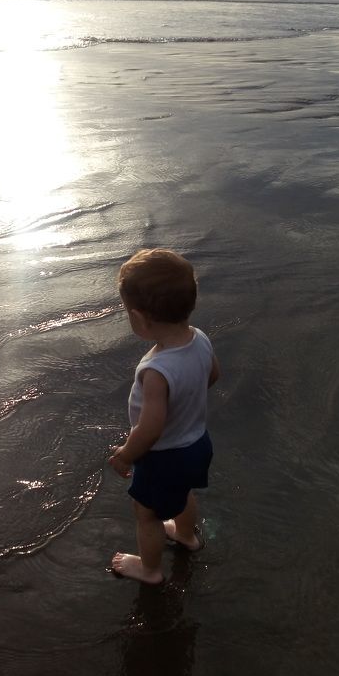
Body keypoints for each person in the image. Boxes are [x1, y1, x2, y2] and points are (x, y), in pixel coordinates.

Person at [109, 248, 219, 584]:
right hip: (197, 442)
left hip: (163, 456)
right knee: (184, 491)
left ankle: (150, 569)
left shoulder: (156, 370)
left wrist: (127, 453)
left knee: (147, 514)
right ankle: (187, 535)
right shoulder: (199, 339)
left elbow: (152, 428)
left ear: (140, 319)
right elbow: (213, 375)